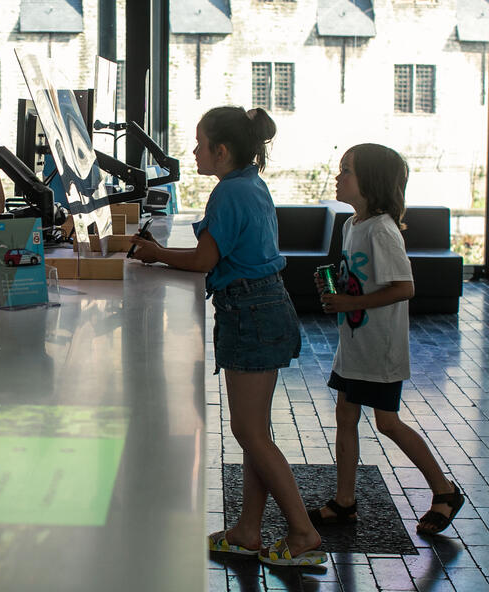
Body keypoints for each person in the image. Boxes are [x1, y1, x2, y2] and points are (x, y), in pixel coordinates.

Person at [129, 106, 326, 567]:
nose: (194, 152)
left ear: (222, 150)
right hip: (267, 307)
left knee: (249, 432)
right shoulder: (249, 185)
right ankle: (247, 531)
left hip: (250, 313)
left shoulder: (227, 195)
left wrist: (155, 253)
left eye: (200, 145)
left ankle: (302, 533)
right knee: (255, 431)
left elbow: (202, 261)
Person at [310, 143, 464, 536]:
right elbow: (362, 280)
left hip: (380, 348)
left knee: (388, 423)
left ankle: (444, 491)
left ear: (370, 182)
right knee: (345, 416)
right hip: (355, 345)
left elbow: (404, 287)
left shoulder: (382, 229)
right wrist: (339, 288)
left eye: (347, 170)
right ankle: (345, 502)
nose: (338, 176)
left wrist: (351, 299)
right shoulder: (352, 225)